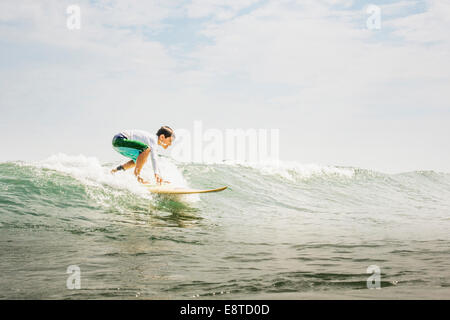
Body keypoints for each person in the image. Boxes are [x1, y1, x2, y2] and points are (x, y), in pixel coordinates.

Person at [111, 126, 175, 184]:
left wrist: (160, 177)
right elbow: (154, 158)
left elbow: (156, 161)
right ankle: (137, 177)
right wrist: (156, 174)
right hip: (120, 140)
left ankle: (115, 171)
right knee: (146, 149)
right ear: (162, 137)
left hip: (117, 143)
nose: (170, 144)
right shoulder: (154, 140)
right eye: (169, 140)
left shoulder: (152, 141)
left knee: (139, 160)